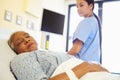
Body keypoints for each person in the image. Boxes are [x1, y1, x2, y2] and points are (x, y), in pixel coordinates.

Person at [8, 31, 108, 80]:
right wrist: (86, 66)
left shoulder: (47, 52)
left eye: (27, 36)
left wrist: (94, 66)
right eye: (19, 42)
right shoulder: (21, 59)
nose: (26, 40)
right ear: (15, 50)